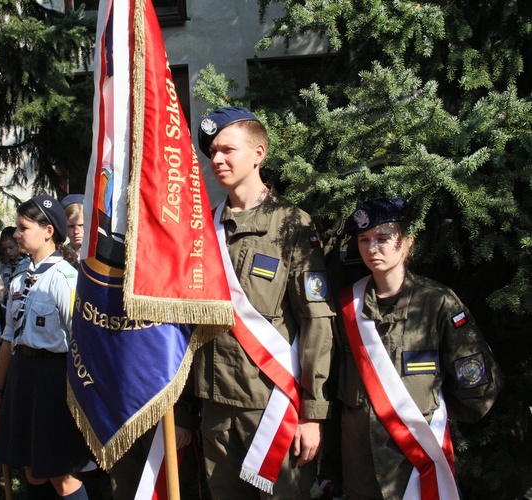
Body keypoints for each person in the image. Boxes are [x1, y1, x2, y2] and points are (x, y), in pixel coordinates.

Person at [194, 106, 336, 498]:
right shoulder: (204, 228)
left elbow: (317, 322)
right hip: (215, 407)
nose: (217, 159)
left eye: (228, 150)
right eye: (212, 152)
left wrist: (313, 413)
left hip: (272, 406)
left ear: (259, 153)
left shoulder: (292, 225)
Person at [337, 197, 502, 498]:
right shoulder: (348, 305)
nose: (372, 249)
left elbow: (475, 380)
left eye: (383, 238)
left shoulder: (437, 301)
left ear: (408, 241)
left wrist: (435, 412)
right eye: (364, 239)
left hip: (417, 461)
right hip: (359, 466)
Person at [0, 195, 90, 500]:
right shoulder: (20, 277)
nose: (16, 234)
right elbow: (9, 337)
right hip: (23, 375)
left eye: (23, 228)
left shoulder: (64, 277)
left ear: (48, 231)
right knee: (32, 470)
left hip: (52, 380)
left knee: (60, 473)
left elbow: (80, 339)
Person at [0, 226, 30, 306]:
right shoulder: (3, 266)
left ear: (18, 244)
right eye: (4, 249)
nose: (8, 251)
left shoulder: (27, 264)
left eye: (11, 247)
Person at [61, 194, 84, 258]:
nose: (76, 232)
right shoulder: (60, 257)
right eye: (71, 226)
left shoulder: (98, 258)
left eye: (81, 225)